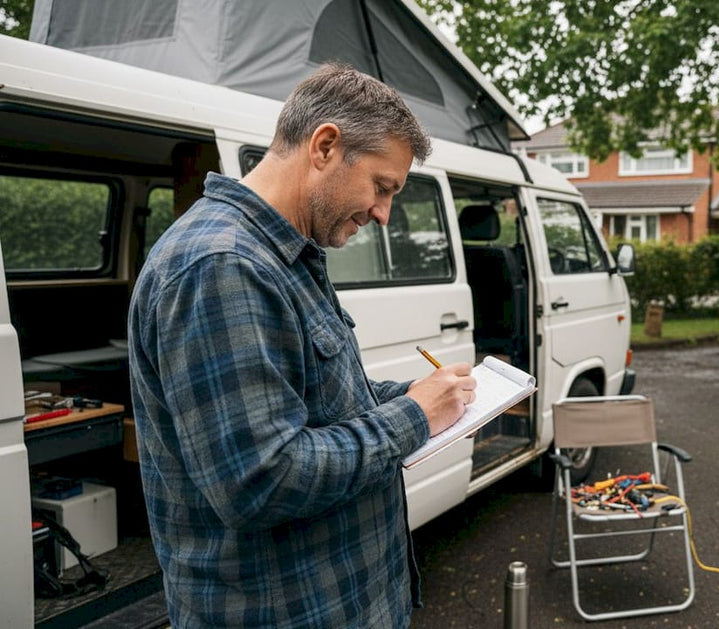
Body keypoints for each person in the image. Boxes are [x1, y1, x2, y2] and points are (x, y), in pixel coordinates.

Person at [128, 63, 476, 628]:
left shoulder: (287, 253)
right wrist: (414, 415)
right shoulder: (222, 266)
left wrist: (419, 393)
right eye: (382, 187)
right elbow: (262, 480)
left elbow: (320, 400)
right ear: (326, 146)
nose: (384, 214)